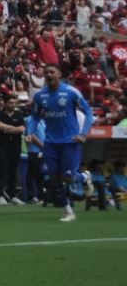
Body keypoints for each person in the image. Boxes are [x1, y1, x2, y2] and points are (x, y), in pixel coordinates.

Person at [30, 64, 95, 222]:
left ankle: (84, 177)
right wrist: (29, 132)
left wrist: (83, 134)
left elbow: (88, 112)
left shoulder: (71, 92)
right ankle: (68, 212)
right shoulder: (40, 96)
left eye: (52, 72)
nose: (48, 74)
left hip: (70, 140)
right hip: (51, 141)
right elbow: (34, 116)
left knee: (67, 178)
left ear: (59, 74)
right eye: (46, 72)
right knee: (53, 178)